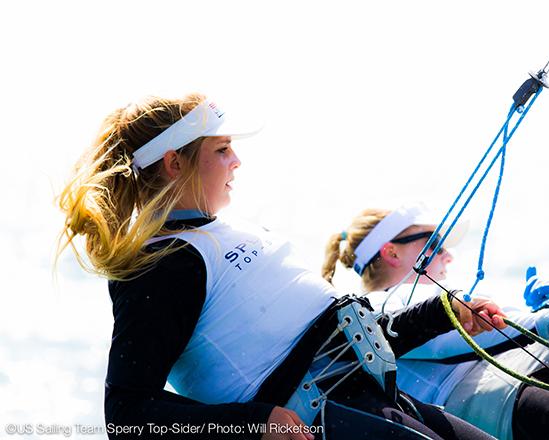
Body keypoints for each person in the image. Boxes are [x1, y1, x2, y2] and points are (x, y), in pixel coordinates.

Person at [57, 93, 509, 440]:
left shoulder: (227, 233)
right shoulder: (166, 263)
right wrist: (254, 424)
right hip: (329, 422)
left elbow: (351, 336)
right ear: (175, 163)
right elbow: (128, 415)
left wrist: (445, 314)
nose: (237, 160)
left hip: (374, 404)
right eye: (222, 150)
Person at [322, 205, 549, 440]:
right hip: (513, 405)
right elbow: (453, 339)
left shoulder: (429, 298)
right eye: (435, 243)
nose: (448, 255)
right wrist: (546, 321)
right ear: (391, 252)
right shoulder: (380, 304)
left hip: (530, 395)